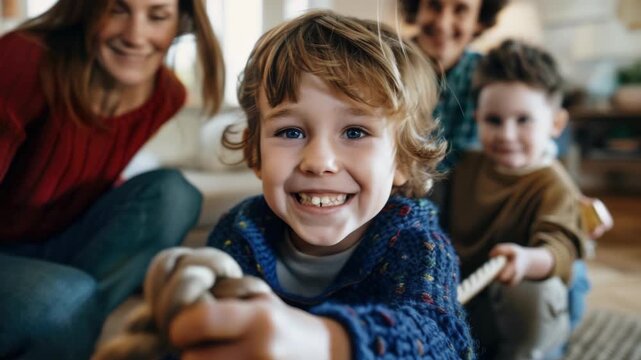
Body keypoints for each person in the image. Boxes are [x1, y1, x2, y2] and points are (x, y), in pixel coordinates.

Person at [160, 10, 474, 360]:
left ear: (402, 161)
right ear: (255, 154)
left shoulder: (417, 241)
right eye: (290, 132)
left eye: (355, 132)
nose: (319, 161)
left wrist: (324, 342)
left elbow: (438, 337)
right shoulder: (241, 233)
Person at [0, 0, 224, 359]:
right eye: (117, 10)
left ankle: (63, 323)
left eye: (157, 16)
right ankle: (59, 316)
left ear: (180, 22)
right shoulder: (23, 58)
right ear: (86, 10)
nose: (136, 36)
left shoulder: (166, 94)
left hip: (54, 242)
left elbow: (91, 173)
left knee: (175, 194)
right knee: (65, 297)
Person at [446, 39, 590, 360]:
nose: (506, 135)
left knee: (533, 292)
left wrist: (527, 260)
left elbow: (560, 249)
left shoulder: (553, 185)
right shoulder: (466, 167)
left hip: (528, 313)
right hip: (476, 300)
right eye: (493, 121)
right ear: (478, 117)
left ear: (555, 124)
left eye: (523, 120)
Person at [398, 0, 509, 169]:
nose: (443, 23)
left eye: (461, 10)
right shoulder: (384, 64)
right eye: (434, 6)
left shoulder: (493, 78)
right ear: (416, 10)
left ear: (479, 20)